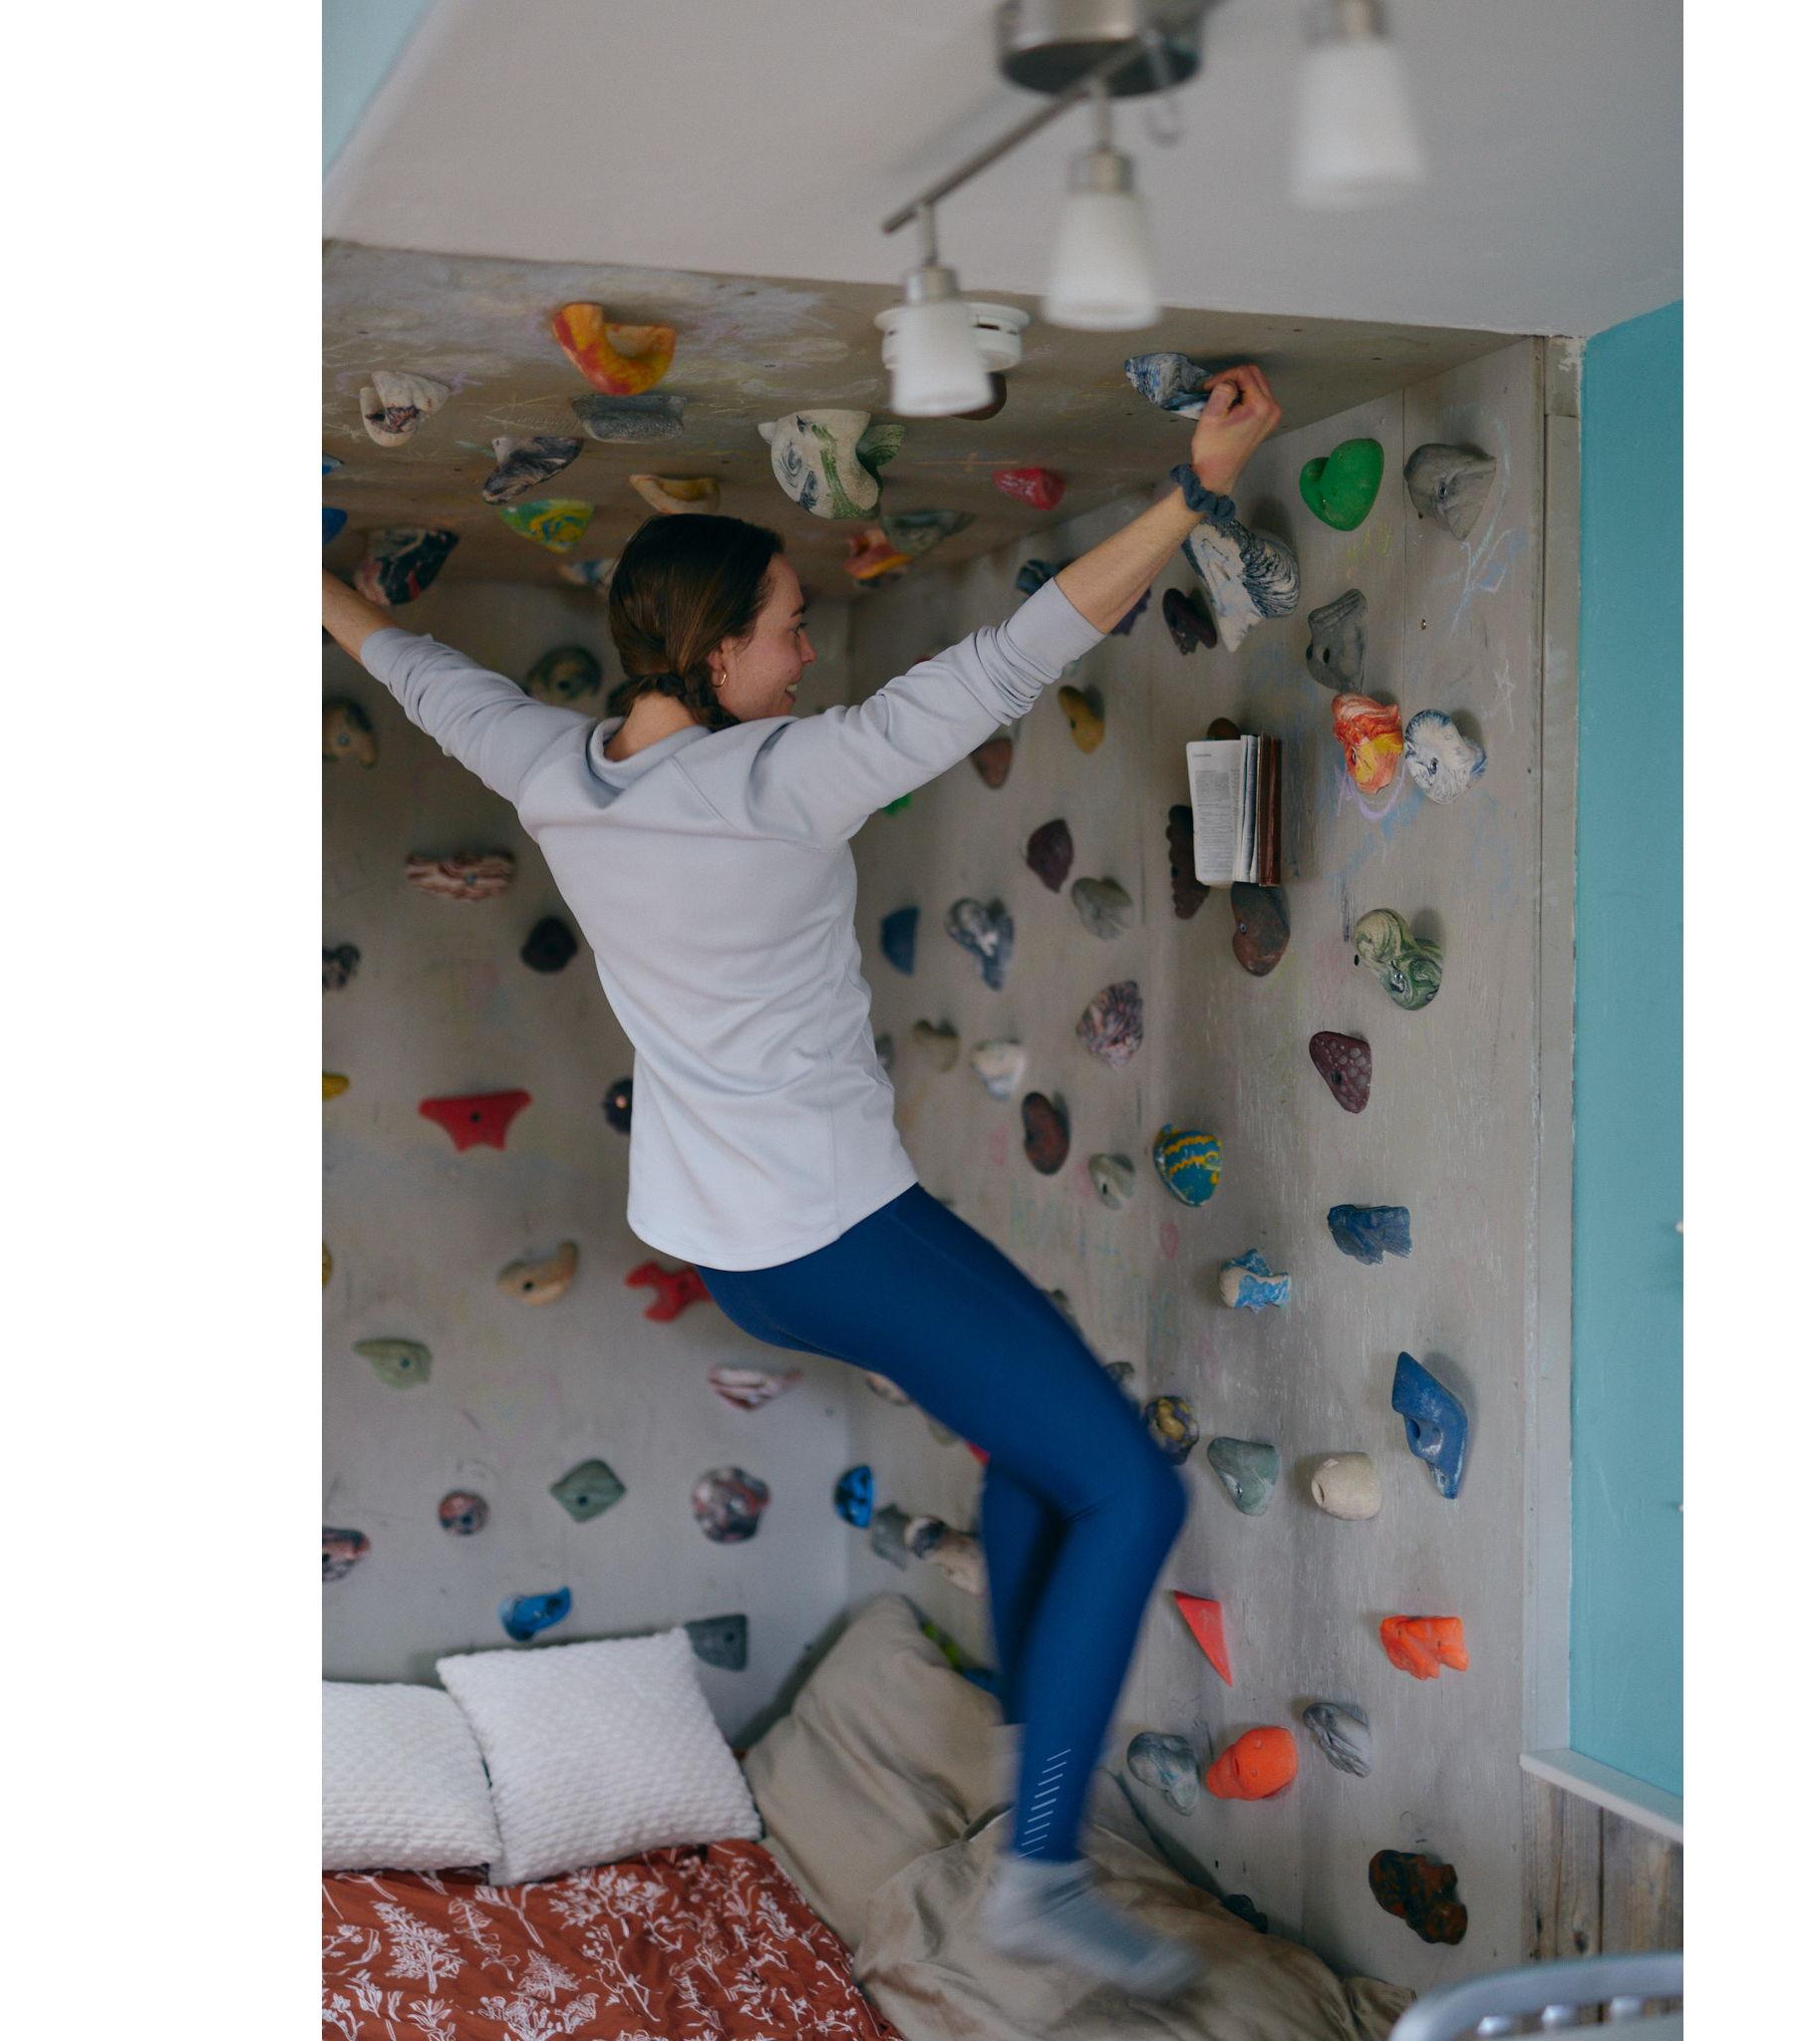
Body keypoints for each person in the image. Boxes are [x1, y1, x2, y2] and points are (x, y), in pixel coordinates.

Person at [322, 366, 1282, 1998]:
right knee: (1130, 1486)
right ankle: (1042, 1866)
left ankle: (1021, 1739)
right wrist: (1194, 494)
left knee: (1040, 1440)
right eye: (783, 627)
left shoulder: (558, 766)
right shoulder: (779, 783)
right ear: (712, 654)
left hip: (740, 1237)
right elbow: (1019, 648)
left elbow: (398, 657)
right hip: (831, 1235)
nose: (804, 647)